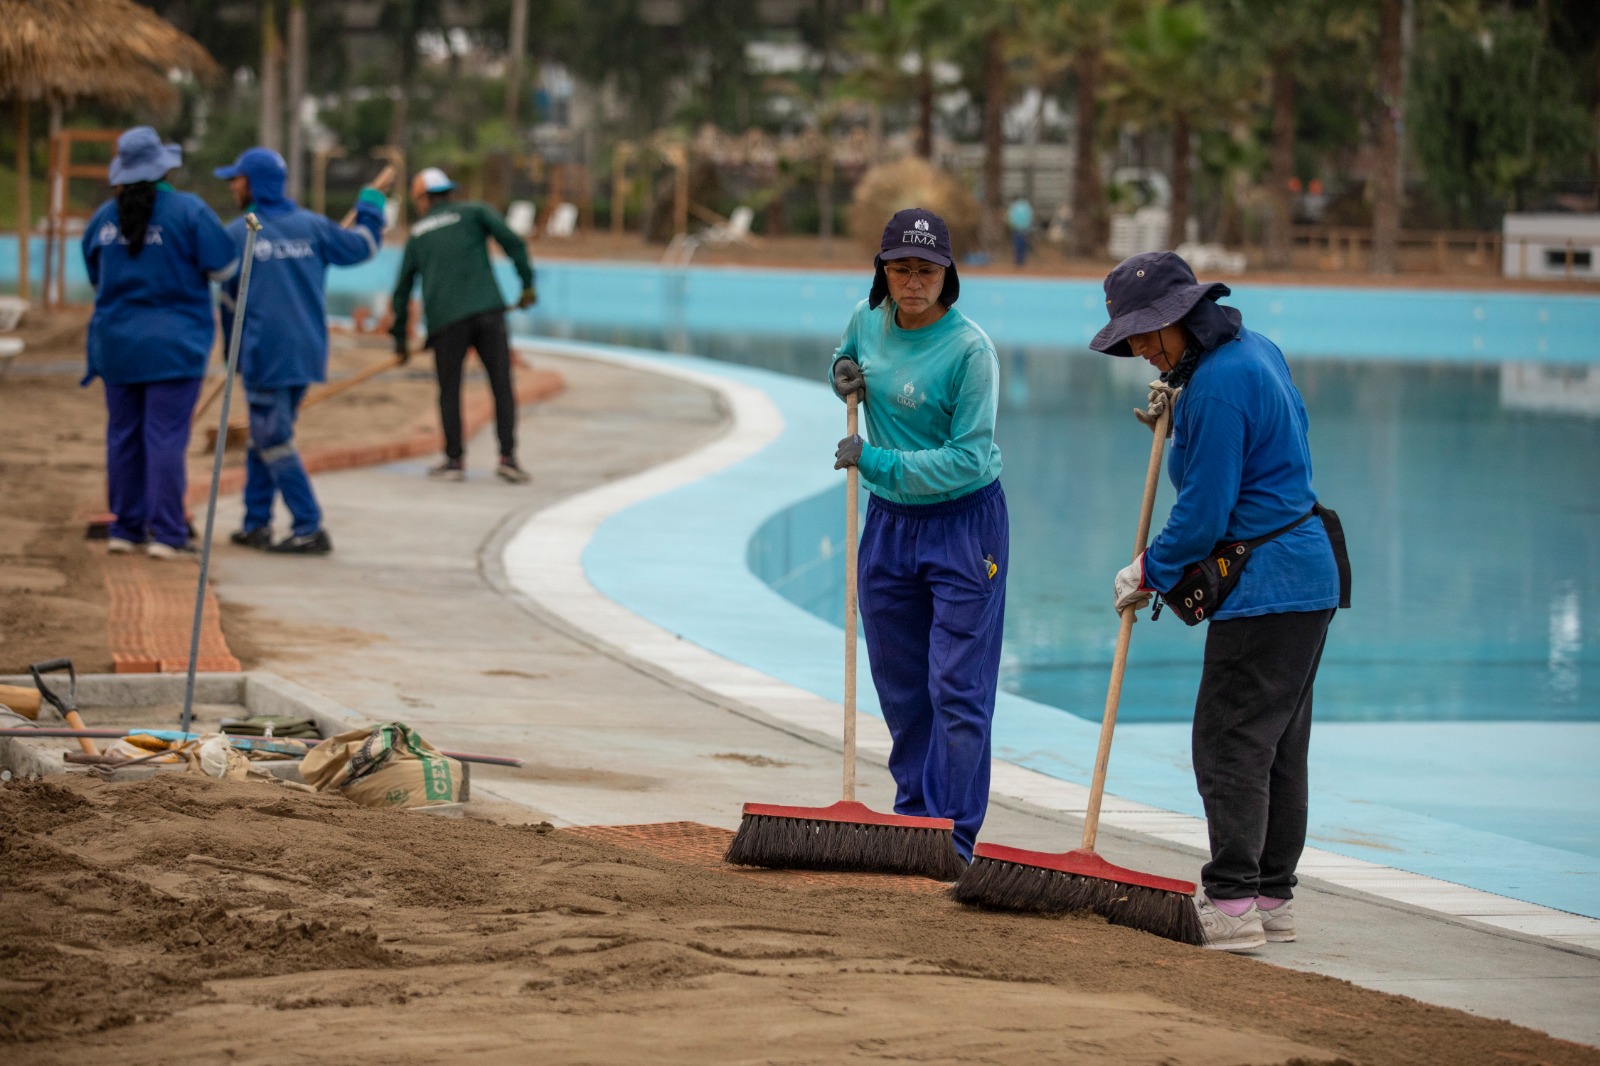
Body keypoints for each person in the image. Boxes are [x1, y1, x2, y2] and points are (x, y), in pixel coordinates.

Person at [1091, 250, 1348, 951]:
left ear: (1183, 316)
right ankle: (1270, 898)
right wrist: (1180, 410)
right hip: (1308, 576)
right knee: (1277, 747)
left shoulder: (1216, 388)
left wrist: (1149, 568)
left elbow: (1204, 514)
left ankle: (1231, 905)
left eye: (1147, 332)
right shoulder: (1249, 353)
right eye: (1131, 336)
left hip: (1264, 586)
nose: (1139, 348)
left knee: (1229, 743)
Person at [829, 208, 1008, 863]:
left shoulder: (970, 351)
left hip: (964, 526)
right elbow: (845, 362)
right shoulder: (865, 320)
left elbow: (967, 457)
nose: (913, 281)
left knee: (957, 690)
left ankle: (954, 842)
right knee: (904, 689)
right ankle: (914, 825)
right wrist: (841, 377)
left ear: (947, 275)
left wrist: (874, 461)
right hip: (890, 528)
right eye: (901, 268)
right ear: (883, 271)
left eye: (926, 270)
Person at [215, 147, 389, 555]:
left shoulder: (240, 233)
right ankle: (256, 523)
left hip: (264, 353)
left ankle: (309, 526)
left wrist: (232, 356)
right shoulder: (312, 226)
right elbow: (364, 245)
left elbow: (226, 301)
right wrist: (372, 207)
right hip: (305, 353)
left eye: (236, 180)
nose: (232, 187)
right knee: (264, 437)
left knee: (272, 438)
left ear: (253, 184)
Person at [82, 127, 239, 560]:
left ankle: (126, 529)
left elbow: (97, 278)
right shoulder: (189, 212)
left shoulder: (102, 219)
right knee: (165, 438)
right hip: (174, 346)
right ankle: (168, 534)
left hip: (116, 346)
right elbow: (227, 271)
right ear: (162, 167)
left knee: (123, 437)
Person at [389, 167, 536, 483]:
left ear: (424, 199)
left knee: (450, 390)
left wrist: (400, 339)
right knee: (501, 385)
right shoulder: (474, 212)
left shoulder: (417, 234)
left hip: (446, 322)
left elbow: (402, 289)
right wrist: (527, 284)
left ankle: (455, 461)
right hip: (489, 312)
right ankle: (508, 458)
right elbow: (514, 243)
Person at [1006, 196, 1034, 266]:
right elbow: (1030, 215)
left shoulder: (1014, 207)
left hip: (1017, 229)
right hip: (1025, 228)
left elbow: (1010, 217)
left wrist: (1012, 225)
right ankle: (1022, 260)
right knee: (1023, 245)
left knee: (1018, 245)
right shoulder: (1026, 205)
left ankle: (1018, 260)